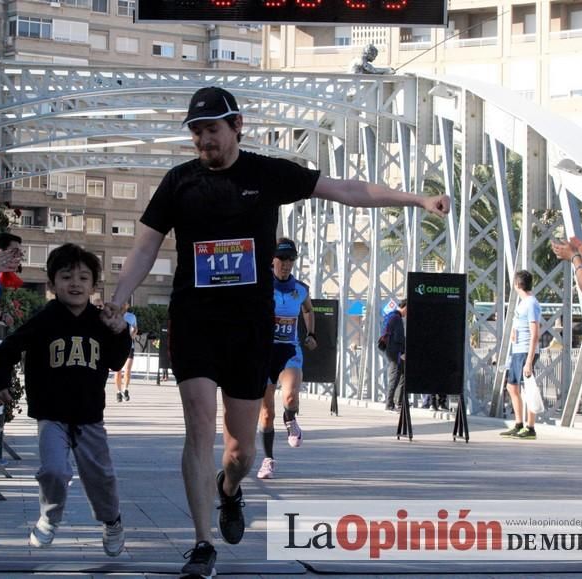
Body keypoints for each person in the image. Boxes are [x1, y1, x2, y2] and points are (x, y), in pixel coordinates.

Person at [104, 86, 449, 577]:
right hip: (196, 321)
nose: (204, 140)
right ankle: (201, 545)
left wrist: (416, 199)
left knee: (240, 451)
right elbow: (143, 248)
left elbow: (346, 190)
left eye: (213, 130)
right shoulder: (178, 183)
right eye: (197, 132)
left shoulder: (266, 174)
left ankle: (230, 488)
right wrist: (119, 298)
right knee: (199, 424)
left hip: (249, 328)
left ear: (237, 125)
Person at [0, 243, 131, 555]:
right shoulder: (44, 321)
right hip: (51, 416)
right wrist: (0, 383)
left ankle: (112, 521)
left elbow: (117, 361)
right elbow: (4, 351)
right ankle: (49, 518)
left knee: (101, 477)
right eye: (66, 277)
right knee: (54, 470)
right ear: (52, 284)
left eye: (83, 278)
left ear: (94, 285)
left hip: (89, 418)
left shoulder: (100, 322)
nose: (75, 284)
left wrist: (121, 332)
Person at [256, 239, 316, 480]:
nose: (287, 264)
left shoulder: (300, 289)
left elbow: (308, 309)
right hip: (264, 353)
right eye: (282, 258)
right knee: (267, 413)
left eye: (291, 259)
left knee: (290, 396)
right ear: (273, 260)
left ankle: (290, 417)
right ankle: (268, 460)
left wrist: (311, 333)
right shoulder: (260, 286)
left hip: (289, 350)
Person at [500, 270, 542, 440]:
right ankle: (518, 424)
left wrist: (529, 361)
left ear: (517, 285)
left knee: (527, 389)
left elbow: (535, 333)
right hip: (517, 350)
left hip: (525, 351)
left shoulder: (531, 303)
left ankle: (530, 427)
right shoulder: (523, 303)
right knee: (511, 386)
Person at [383, 299, 407, 412]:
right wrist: (403, 352)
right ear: (405, 307)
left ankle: (399, 402)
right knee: (395, 375)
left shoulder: (391, 316)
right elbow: (399, 338)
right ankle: (389, 403)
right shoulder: (397, 319)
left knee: (402, 374)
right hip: (395, 352)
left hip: (390, 350)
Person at [114, 304, 138, 402]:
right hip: (117, 346)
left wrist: (133, 333)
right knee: (118, 370)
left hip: (129, 346)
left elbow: (135, 329)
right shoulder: (115, 316)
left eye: (125, 303)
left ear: (127, 305)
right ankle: (118, 392)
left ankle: (125, 389)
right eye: (122, 303)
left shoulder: (132, 316)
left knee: (127, 369)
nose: (123, 305)